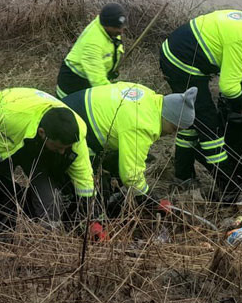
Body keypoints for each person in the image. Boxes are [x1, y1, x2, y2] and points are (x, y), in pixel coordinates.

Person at [159, 10, 242, 199]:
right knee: (210, 128)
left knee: (191, 121)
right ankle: (231, 190)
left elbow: (230, 61)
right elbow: (229, 87)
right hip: (182, 64)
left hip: (175, 52)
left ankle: (183, 176)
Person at [0, 87, 96, 227]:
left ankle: (47, 234)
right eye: (58, 147)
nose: (62, 152)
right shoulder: (9, 114)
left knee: (49, 199)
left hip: (37, 147)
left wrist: (92, 219)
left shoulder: (75, 134)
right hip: (7, 139)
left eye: (65, 148)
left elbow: (84, 177)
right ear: (42, 132)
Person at [61, 83, 196, 214]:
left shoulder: (148, 95)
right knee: (98, 190)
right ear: (167, 118)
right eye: (174, 128)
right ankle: (74, 218)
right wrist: (151, 201)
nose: (172, 134)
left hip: (66, 107)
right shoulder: (143, 125)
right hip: (68, 130)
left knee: (116, 164)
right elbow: (131, 176)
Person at [57, 3, 126, 99]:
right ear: (106, 25)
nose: (121, 31)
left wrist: (111, 68)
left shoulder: (110, 30)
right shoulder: (92, 43)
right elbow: (98, 80)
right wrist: (114, 97)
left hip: (88, 79)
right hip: (73, 83)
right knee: (74, 112)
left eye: (121, 26)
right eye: (116, 28)